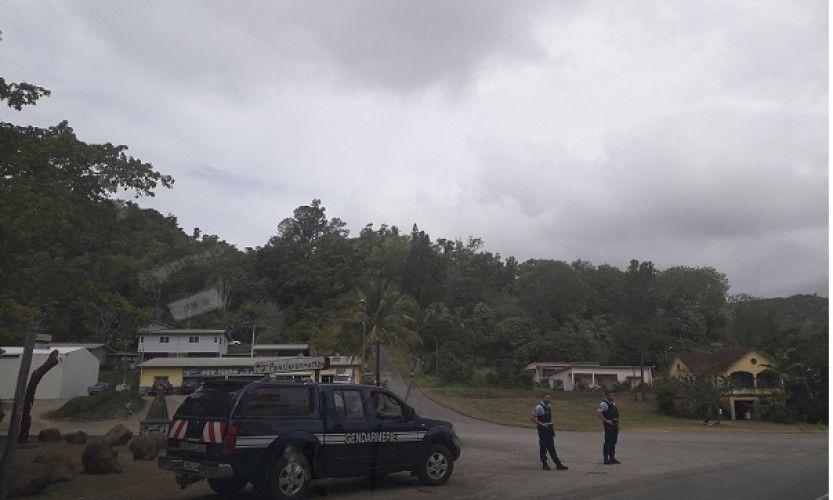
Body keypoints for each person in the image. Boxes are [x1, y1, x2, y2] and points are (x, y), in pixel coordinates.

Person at [531, 393, 568, 471]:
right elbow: (533, 419)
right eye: (547, 398)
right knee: (543, 447)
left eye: (549, 398)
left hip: (549, 429)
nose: (549, 400)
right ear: (543, 398)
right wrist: (543, 424)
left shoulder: (549, 406)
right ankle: (544, 464)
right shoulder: (538, 407)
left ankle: (558, 464)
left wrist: (550, 424)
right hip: (542, 430)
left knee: (551, 447)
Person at [597, 390, 620, 464]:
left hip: (615, 425)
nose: (612, 397)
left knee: (613, 441)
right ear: (607, 396)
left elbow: (616, 415)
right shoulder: (604, 404)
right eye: (610, 395)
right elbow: (599, 413)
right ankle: (605, 458)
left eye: (613, 395)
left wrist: (618, 426)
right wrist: (606, 421)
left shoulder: (613, 404)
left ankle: (612, 457)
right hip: (609, 425)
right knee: (608, 441)